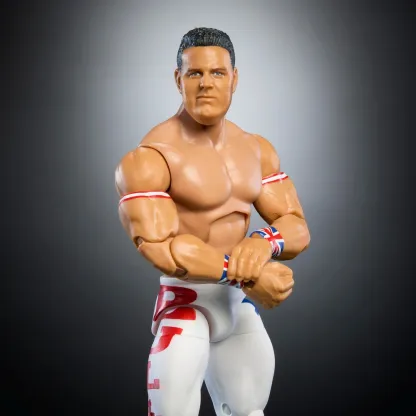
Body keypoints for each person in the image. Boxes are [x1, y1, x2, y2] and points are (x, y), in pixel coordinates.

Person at [115, 27, 310, 416]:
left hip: (236, 306)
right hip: (187, 302)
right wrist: (249, 275)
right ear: (178, 79)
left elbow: (295, 224)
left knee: (249, 411)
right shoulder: (150, 158)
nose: (206, 84)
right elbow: (165, 248)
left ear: (234, 79)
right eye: (195, 73)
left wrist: (262, 242)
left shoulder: (256, 149)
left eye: (217, 73)